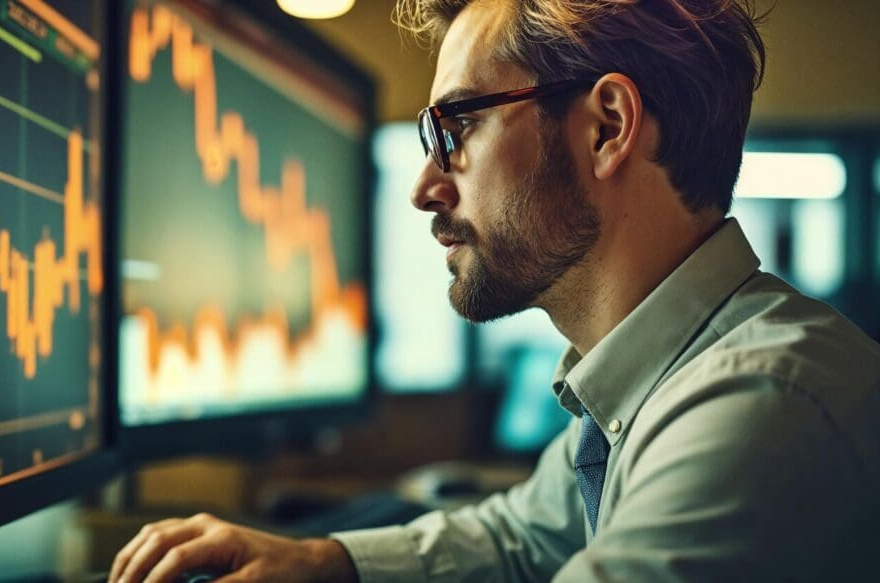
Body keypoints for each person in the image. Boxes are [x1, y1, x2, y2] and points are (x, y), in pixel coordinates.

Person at [108, 0, 880, 580]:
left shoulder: (760, 406)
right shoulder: (655, 377)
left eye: (456, 128)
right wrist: (321, 560)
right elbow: (526, 535)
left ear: (607, 127)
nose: (424, 187)